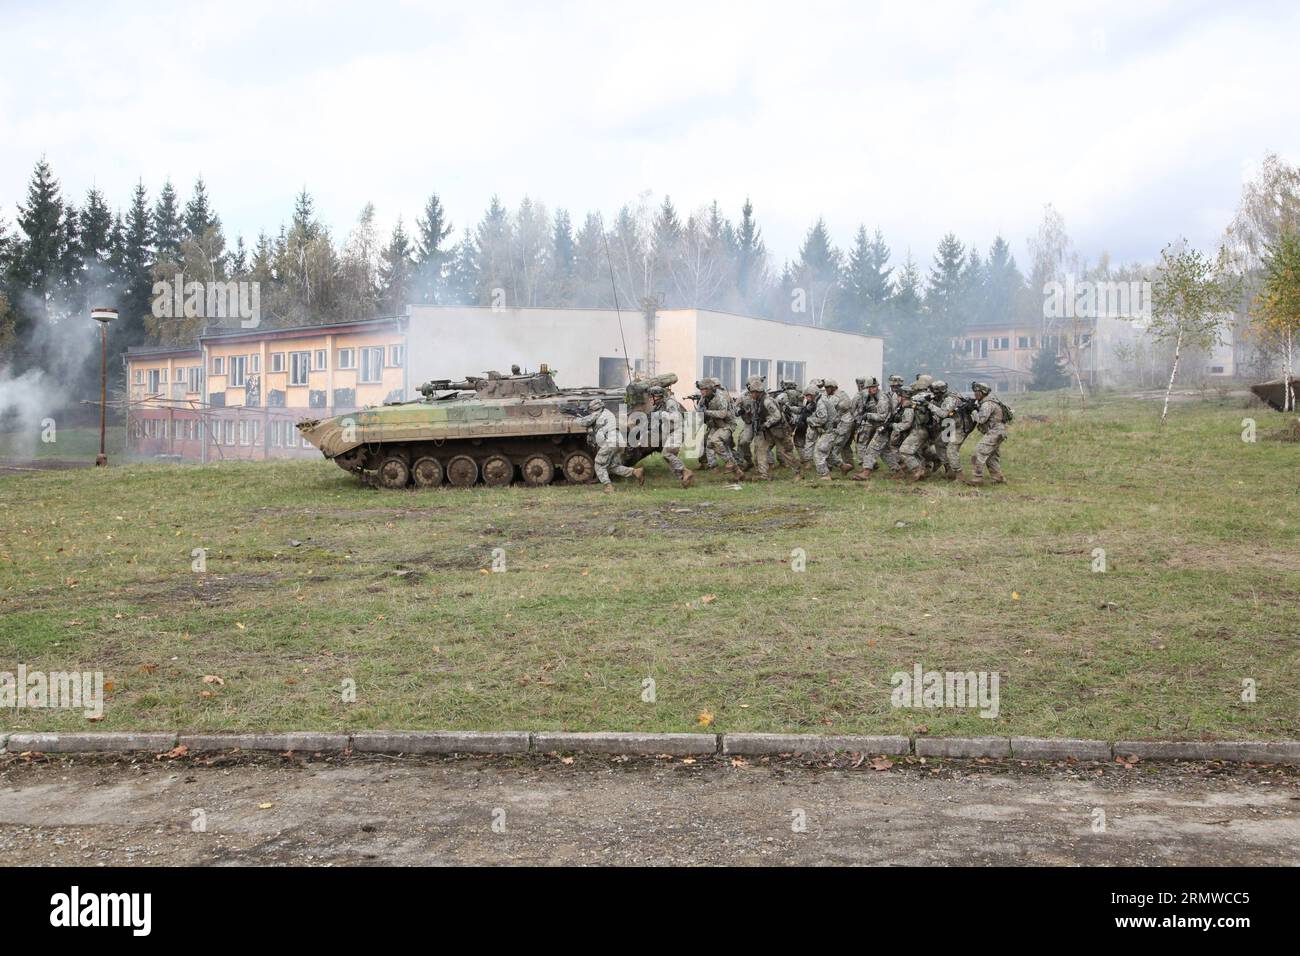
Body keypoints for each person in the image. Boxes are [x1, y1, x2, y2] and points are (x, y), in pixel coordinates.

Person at [573, 398, 643, 492]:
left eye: (591, 409)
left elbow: (584, 422)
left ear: (595, 408)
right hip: (619, 441)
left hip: (610, 442)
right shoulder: (607, 413)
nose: (591, 411)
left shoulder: (597, 414)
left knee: (599, 464)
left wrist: (575, 417)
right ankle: (635, 472)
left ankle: (608, 486)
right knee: (612, 466)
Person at [747, 380, 802, 479]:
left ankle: (798, 472)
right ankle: (763, 474)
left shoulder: (767, 401)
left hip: (779, 430)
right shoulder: (757, 401)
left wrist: (766, 424)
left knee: (785, 452)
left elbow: (777, 416)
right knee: (761, 449)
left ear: (758, 392)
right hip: (768, 431)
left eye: (752, 392)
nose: (751, 394)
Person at [648, 385, 693, 487]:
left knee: (667, 453)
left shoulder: (670, 402)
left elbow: (676, 417)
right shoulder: (658, 406)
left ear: (658, 396)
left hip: (678, 430)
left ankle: (685, 471)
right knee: (668, 458)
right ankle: (684, 479)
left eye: (652, 396)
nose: (650, 399)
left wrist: (662, 414)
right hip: (670, 433)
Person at [699, 379, 744, 479]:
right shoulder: (704, 398)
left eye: (704, 389)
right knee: (709, 444)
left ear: (710, 389)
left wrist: (707, 412)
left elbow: (723, 413)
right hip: (715, 425)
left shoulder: (721, 397)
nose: (702, 391)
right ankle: (736, 471)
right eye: (701, 389)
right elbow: (701, 411)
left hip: (727, 424)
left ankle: (729, 462)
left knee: (716, 440)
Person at [924, 380, 969, 480]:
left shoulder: (950, 399)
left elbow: (943, 413)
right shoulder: (941, 397)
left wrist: (928, 405)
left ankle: (959, 475)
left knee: (952, 450)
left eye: (934, 392)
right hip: (950, 424)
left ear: (939, 391)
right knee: (939, 443)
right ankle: (948, 468)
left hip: (960, 427)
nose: (933, 394)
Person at [966, 381, 1009, 484]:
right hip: (998, 432)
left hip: (994, 432)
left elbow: (981, 420)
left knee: (979, 452)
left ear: (983, 392)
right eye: (975, 391)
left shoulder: (987, 403)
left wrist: (973, 411)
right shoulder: (989, 402)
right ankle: (998, 477)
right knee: (991, 456)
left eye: (977, 392)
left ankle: (977, 478)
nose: (975, 394)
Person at [810, 378, 853, 480]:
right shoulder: (828, 396)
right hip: (835, 424)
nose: (826, 389)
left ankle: (826, 470)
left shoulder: (838, 395)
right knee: (830, 448)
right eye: (825, 387)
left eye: (828, 387)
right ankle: (843, 466)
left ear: (833, 387)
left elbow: (837, 409)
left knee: (832, 446)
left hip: (842, 423)